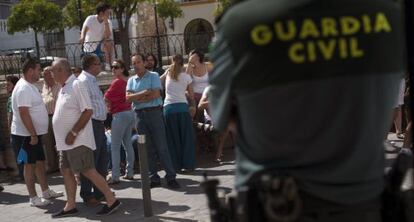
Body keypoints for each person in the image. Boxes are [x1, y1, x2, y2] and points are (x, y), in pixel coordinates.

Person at [208, 0, 405, 221]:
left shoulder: (241, 22)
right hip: (365, 206)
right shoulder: (388, 14)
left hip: (276, 206)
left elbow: (221, 116)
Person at [50, 58, 121, 218]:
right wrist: (60, 139)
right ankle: (70, 205)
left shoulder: (77, 84)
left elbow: (88, 111)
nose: (50, 74)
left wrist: (73, 133)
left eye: (53, 71)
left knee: (88, 170)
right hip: (65, 143)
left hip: (78, 140)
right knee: (66, 170)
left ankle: (111, 199)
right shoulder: (63, 88)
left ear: (62, 70)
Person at [10, 58, 63, 207]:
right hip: (26, 135)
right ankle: (33, 197)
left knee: (39, 162)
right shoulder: (23, 88)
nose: (40, 72)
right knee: (29, 165)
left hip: (33, 134)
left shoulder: (29, 86)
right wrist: (32, 134)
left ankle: (45, 191)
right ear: (30, 70)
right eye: (39, 69)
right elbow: (24, 113)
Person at [126, 53, 180, 189]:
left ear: (144, 63)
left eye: (138, 62)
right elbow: (128, 98)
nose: (136, 65)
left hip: (154, 113)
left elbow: (156, 94)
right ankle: (153, 177)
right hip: (139, 116)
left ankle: (171, 177)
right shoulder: (131, 80)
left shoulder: (154, 76)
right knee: (146, 148)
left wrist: (137, 97)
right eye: (134, 63)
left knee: (162, 147)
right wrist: (144, 93)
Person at [77, 54, 109, 206]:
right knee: (91, 160)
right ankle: (87, 193)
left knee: (102, 159)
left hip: (99, 124)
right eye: (98, 63)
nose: (100, 65)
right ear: (91, 65)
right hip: (91, 124)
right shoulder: (83, 81)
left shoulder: (92, 80)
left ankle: (100, 191)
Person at [161, 54, 196, 172]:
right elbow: (191, 95)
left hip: (168, 108)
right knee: (186, 138)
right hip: (182, 108)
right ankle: (188, 165)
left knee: (172, 139)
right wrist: (185, 94)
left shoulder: (167, 74)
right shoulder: (186, 77)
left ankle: (175, 166)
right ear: (183, 63)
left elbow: (158, 81)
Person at [104, 59, 135, 184]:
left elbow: (105, 98)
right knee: (127, 144)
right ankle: (130, 172)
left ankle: (115, 176)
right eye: (112, 67)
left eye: (116, 67)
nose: (113, 69)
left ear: (122, 68)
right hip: (129, 114)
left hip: (119, 115)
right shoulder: (128, 82)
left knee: (115, 146)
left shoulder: (117, 82)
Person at [80, 3, 113, 69]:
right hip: (89, 46)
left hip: (99, 44)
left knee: (108, 43)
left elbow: (108, 36)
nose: (109, 14)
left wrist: (106, 22)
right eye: (107, 13)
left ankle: (108, 65)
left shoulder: (108, 22)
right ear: (101, 13)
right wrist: (82, 37)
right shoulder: (90, 18)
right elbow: (84, 29)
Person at [41, 66, 61, 173]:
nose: (44, 76)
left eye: (47, 74)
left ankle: (62, 164)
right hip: (46, 117)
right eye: (43, 74)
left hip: (56, 116)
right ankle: (52, 166)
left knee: (58, 141)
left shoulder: (59, 85)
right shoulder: (44, 87)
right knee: (48, 143)